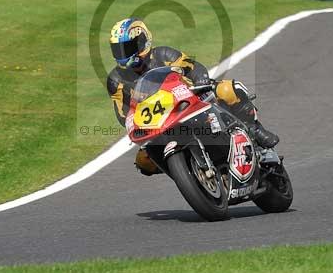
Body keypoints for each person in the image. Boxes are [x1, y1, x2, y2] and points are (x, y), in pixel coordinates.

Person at [106, 17, 280, 175]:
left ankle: (255, 131)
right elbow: (123, 115)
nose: (124, 55)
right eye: (118, 51)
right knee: (143, 161)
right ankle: (188, 172)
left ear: (143, 41)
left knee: (227, 89)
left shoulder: (163, 54)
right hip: (158, 124)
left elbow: (194, 68)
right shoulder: (116, 80)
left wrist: (201, 82)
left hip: (190, 101)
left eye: (128, 48)